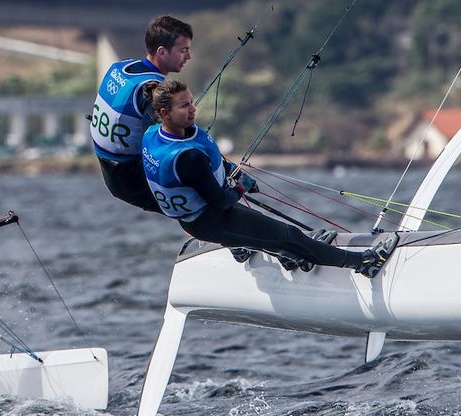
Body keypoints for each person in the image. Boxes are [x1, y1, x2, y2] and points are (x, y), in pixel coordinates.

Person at [140, 79, 398, 278]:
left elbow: (206, 174)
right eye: (184, 105)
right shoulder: (187, 157)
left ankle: (289, 255)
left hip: (201, 219)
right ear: (164, 113)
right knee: (290, 235)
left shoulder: (153, 134)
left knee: (270, 233)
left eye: (192, 102)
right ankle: (363, 263)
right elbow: (220, 202)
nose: (193, 109)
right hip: (212, 219)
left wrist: (229, 172)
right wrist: (241, 185)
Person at [91, 15, 194, 212]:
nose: (188, 57)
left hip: (108, 167)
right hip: (130, 178)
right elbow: (163, 143)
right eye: (183, 51)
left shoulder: (120, 67)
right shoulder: (154, 90)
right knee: (204, 197)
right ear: (162, 52)